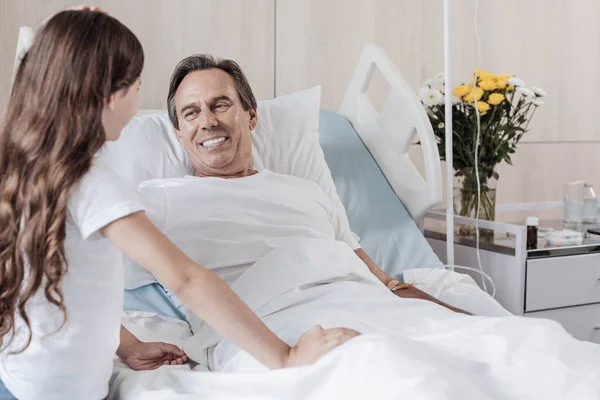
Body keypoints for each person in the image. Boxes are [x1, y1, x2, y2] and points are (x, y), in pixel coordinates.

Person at [0, 9, 357, 400]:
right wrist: (285, 356)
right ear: (111, 97)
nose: (140, 96)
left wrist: (127, 346)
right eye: (137, 86)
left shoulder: (30, 169)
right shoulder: (95, 185)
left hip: (21, 379)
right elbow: (186, 279)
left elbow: (67, 287)